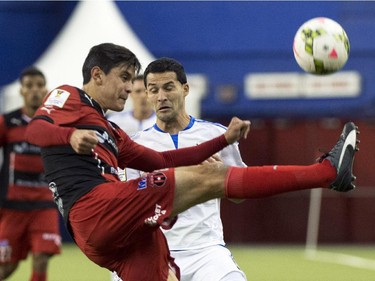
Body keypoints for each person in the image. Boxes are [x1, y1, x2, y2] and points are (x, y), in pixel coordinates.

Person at [25, 43, 359, 281]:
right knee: (211, 177)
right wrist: (67, 137)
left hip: (120, 236)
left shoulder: (112, 131)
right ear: (97, 74)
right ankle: (327, 171)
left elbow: (162, 159)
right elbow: (36, 129)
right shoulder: (69, 95)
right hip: (95, 208)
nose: (131, 88)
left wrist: (223, 140)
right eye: (126, 77)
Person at [119, 57, 248, 281]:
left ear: (185, 89)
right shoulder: (135, 146)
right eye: (154, 90)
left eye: (169, 87)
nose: (162, 97)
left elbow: (242, 195)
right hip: (152, 250)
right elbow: (130, 210)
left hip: (206, 249)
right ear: (147, 95)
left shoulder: (218, 135)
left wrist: (221, 179)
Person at [0, 67, 61, 281]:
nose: (35, 90)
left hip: (44, 206)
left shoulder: (55, 124)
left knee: (41, 257)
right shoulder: (7, 122)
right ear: (22, 91)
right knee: (7, 267)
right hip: (12, 207)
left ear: (47, 90)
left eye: (39, 86)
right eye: (29, 86)